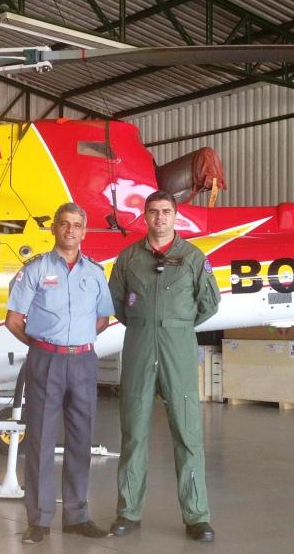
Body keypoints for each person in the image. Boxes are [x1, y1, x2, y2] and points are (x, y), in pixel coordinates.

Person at [107, 190, 221, 543]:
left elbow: (209, 303)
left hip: (178, 349)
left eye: (166, 211)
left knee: (188, 433)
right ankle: (128, 511)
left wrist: (176, 324)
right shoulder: (128, 259)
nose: (160, 217)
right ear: (145, 216)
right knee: (134, 432)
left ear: (175, 216)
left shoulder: (193, 258)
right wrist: (147, 324)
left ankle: (197, 516)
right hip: (140, 347)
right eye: (154, 211)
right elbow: (117, 304)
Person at [5, 202, 114, 544]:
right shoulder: (35, 269)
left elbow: (102, 318)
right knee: (40, 439)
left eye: (77, 225)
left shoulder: (94, 272)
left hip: (83, 362)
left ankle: (77, 516)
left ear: (84, 231)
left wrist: (76, 341)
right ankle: (39, 520)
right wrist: (42, 345)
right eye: (64, 224)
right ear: (53, 228)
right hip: (45, 362)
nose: (70, 230)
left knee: (81, 439)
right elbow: (14, 320)